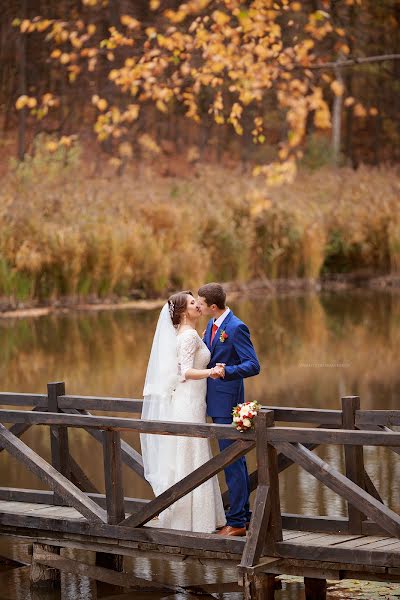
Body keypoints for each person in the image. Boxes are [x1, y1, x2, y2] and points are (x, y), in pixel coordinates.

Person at [140, 290, 226, 533]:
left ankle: (193, 517)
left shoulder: (185, 334)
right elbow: (186, 372)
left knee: (189, 456)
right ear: (182, 312)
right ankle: (196, 520)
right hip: (188, 403)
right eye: (192, 303)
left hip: (192, 401)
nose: (198, 305)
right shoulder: (188, 337)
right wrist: (213, 372)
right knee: (192, 455)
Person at [197, 283, 260, 537]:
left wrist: (226, 371)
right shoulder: (212, 326)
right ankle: (242, 517)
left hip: (228, 402)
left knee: (232, 462)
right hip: (215, 401)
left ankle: (236, 522)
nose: (197, 305)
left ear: (213, 306)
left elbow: (253, 365)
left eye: (200, 302)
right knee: (234, 461)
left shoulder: (235, 327)